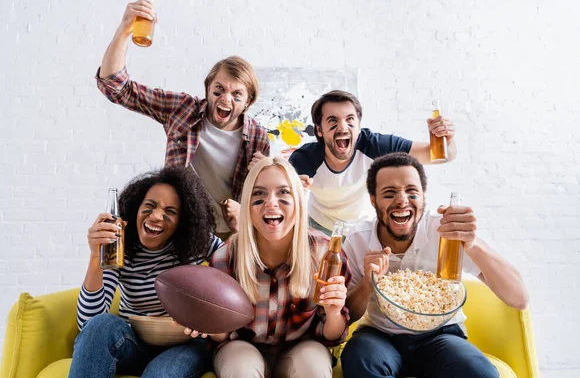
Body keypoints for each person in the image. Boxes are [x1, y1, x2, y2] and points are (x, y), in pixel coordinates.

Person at [340, 153, 529, 378]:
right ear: (373, 200)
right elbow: (345, 315)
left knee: (480, 373)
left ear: (423, 198)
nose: (402, 201)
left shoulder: (445, 232)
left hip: (441, 336)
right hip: (379, 336)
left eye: (412, 192)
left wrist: (473, 243)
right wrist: (367, 284)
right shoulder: (358, 239)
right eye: (389, 193)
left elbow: (519, 298)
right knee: (360, 361)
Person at [96, 0, 269, 239]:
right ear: (208, 89)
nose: (225, 99)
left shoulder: (258, 137)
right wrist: (124, 30)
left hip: (231, 234)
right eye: (218, 90)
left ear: (248, 101)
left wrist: (265, 175)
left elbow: (265, 198)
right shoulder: (182, 110)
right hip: (182, 229)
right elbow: (116, 87)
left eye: (236, 94)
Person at [185, 156, 351, 378]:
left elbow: (331, 337)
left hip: (301, 348)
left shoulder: (326, 254)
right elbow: (222, 336)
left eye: (283, 192)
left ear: (299, 201)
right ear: (248, 206)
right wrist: (206, 320)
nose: (271, 202)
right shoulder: (226, 257)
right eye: (259, 194)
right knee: (239, 367)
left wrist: (333, 313)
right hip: (243, 348)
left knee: (313, 366)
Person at [69, 167, 222, 378]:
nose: (157, 216)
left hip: (184, 344)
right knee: (100, 326)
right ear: (136, 208)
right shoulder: (121, 245)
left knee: (161, 374)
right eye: (149, 206)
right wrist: (96, 256)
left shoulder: (197, 243)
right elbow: (88, 321)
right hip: (134, 342)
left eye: (170, 212)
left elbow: (239, 264)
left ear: (183, 221)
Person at [288, 90, 457, 236]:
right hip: (319, 228)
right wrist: (294, 191)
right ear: (319, 129)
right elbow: (284, 198)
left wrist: (447, 141)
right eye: (333, 121)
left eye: (350, 119)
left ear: (359, 125)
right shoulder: (305, 158)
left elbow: (440, 156)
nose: (343, 128)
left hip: (364, 229)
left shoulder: (375, 146)